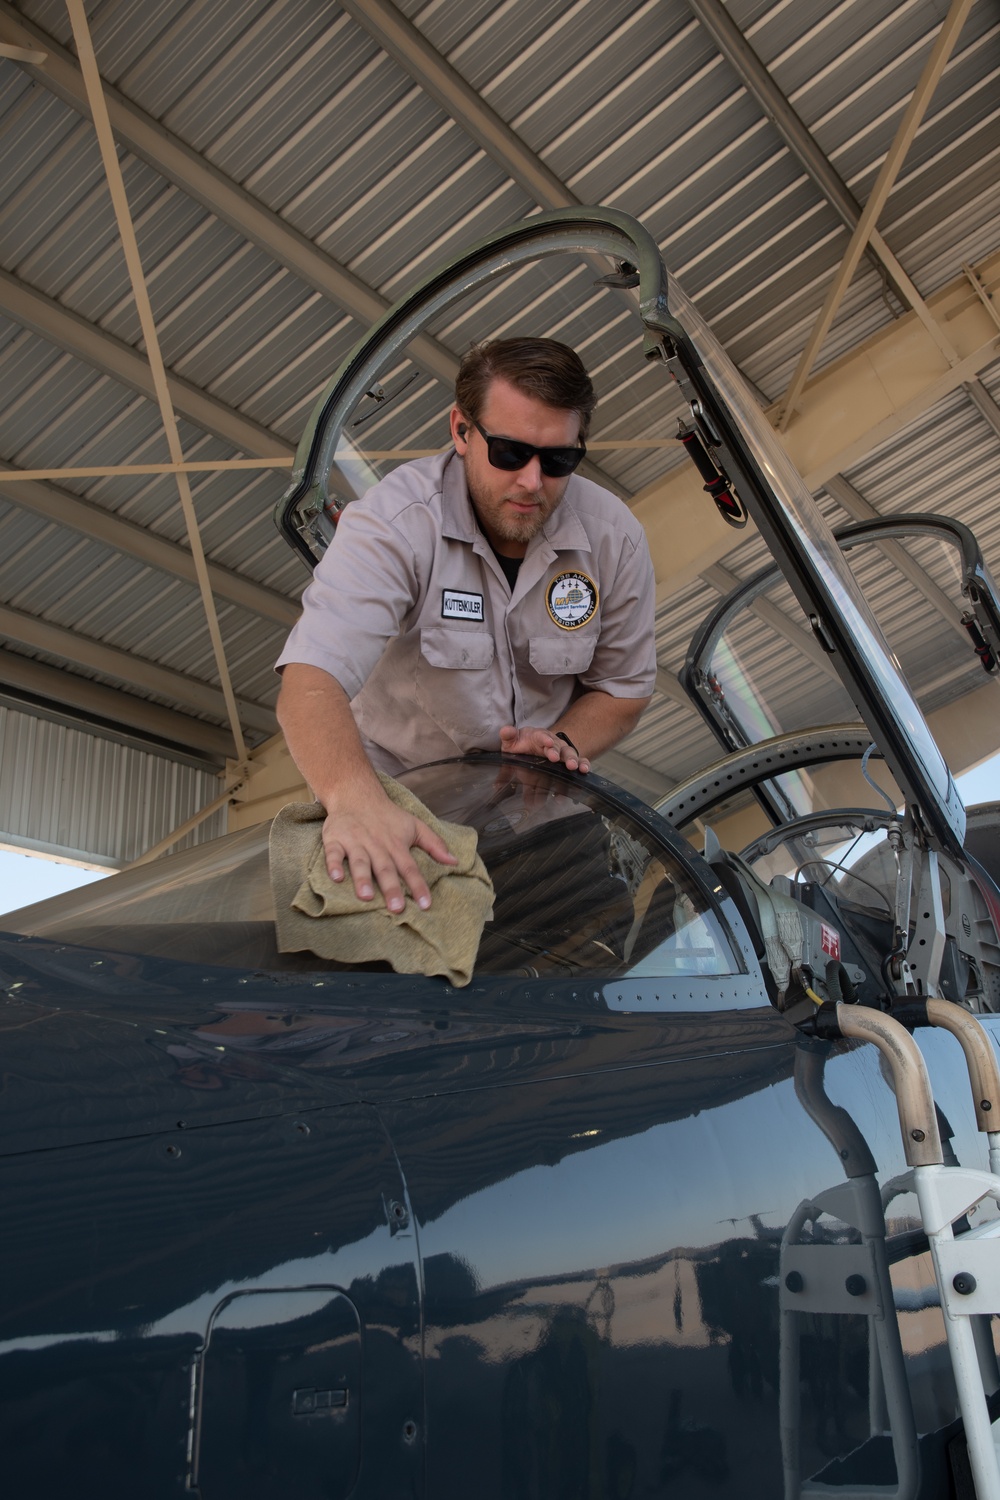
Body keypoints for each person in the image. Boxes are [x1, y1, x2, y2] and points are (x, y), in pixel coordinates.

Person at [276, 337, 656, 914]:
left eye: (558, 461)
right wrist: (356, 802)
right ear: (461, 430)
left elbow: (622, 689)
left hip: (535, 815)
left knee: (607, 950)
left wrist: (561, 743)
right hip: (401, 808)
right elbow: (310, 682)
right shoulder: (395, 523)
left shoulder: (615, 539)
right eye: (510, 453)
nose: (533, 482)